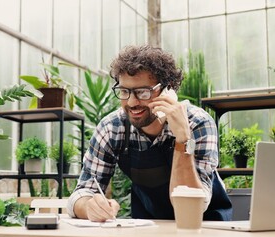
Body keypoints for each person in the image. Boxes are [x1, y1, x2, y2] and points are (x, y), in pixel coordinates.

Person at [67, 45, 232, 222]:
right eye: (124, 91)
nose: (131, 102)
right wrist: (89, 206)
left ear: (168, 90)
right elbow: (82, 192)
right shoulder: (112, 128)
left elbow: (192, 206)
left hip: (204, 225)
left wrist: (183, 139)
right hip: (149, 225)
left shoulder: (197, 123)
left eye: (142, 92)